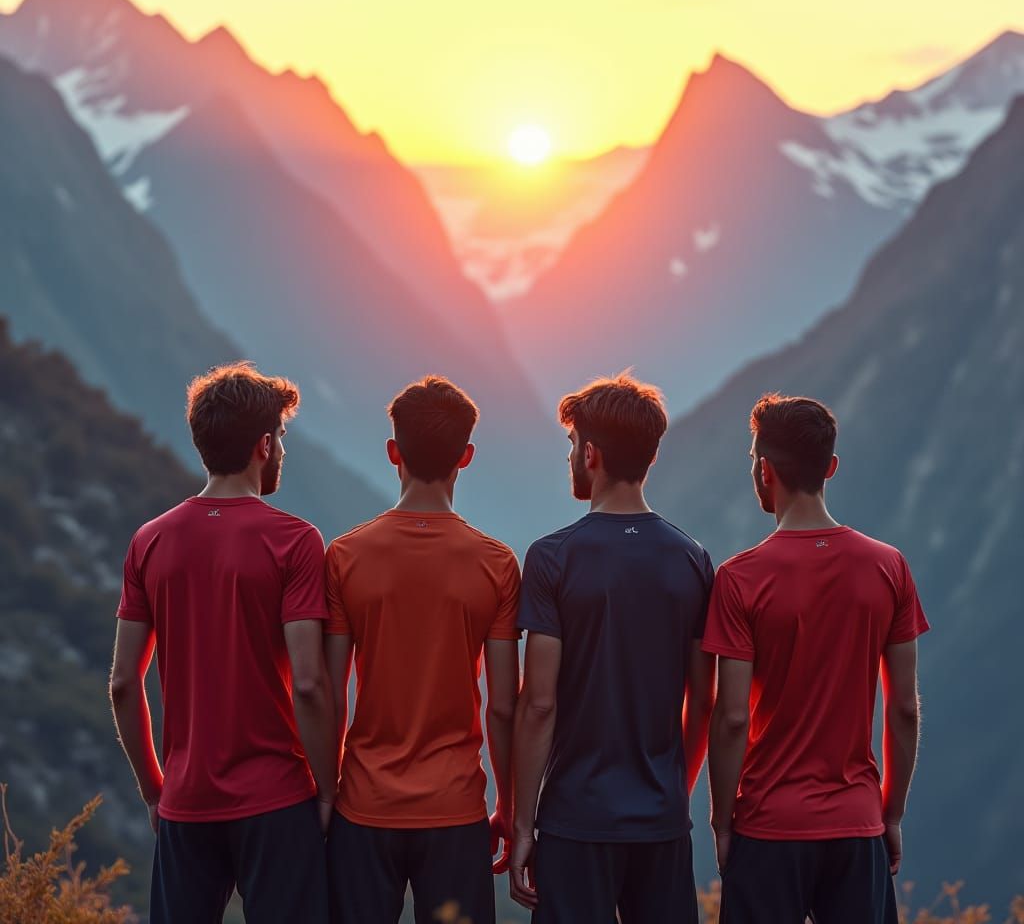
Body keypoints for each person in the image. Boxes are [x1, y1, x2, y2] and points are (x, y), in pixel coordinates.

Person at [109, 363, 336, 924]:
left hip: (186, 802)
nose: (283, 449)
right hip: (279, 802)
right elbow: (308, 683)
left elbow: (122, 683)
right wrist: (328, 791)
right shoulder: (296, 541)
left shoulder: (150, 541)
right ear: (263, 445)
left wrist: (153, 790)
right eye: (281, 437)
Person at [704, 393, 929, 924]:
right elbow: (904, 710)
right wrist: (889, 813)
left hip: (767, 826)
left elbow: (733, 716)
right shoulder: (888, 567)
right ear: (830, 467)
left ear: (764, 471)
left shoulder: (740, 578)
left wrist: (721, 822)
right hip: (857, 823)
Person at [510, 373, 715, 924]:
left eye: (573, 445)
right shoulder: (692, 559)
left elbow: (539, 704)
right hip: (663, 823)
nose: (571, 458)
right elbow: (703, 700)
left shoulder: (553, 557)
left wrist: (522, 823)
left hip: (577, 821)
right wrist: (675, 789)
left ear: (591, 453)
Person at [323, 376, 521, 924]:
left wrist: (325, 792)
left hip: (362, 810)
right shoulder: (497, 564)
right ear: (467, 456)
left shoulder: (345, 556)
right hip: (455, 813)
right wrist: (510, 806)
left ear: (393, 452)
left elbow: (329, 692)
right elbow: (505, 704)